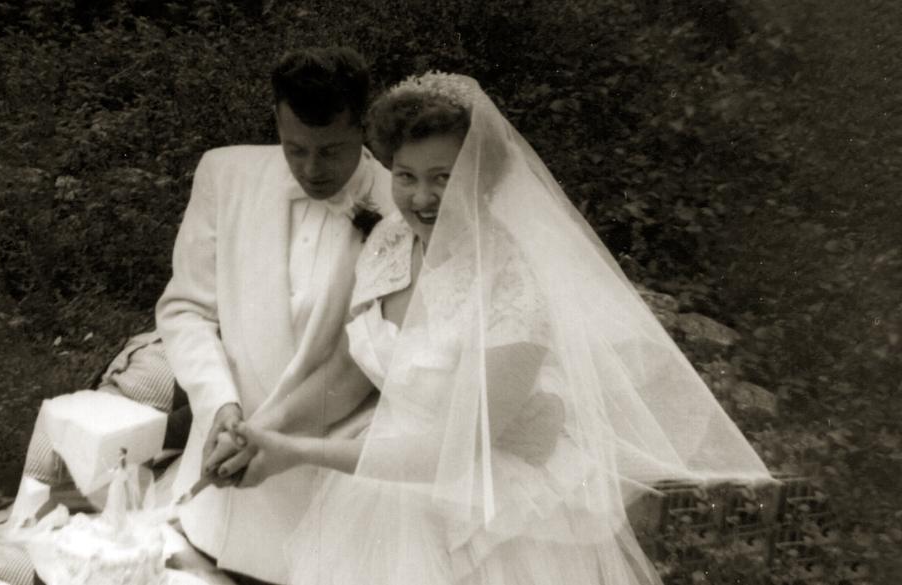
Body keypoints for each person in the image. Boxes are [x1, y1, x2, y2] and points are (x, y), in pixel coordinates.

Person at [236, 73, 774, 585]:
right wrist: (262, 426)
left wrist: (295, 451)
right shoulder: (388, 244)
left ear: (484, 180)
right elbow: (352, 372)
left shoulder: (513, 283)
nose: (421, 199)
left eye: (443, 178)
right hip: (384, 482)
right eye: (406, 176)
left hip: (483, 502)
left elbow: (454, 449)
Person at [155, 46, 394, 584]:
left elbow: (372, 362)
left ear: (364, 126)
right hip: (222, 486)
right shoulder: (225, 173)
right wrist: (219, 403)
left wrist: (277, 438)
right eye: (295, 149)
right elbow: (186, 308)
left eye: (331, 150)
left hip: (332, 483)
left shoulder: (404, 204)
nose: (312, 168)